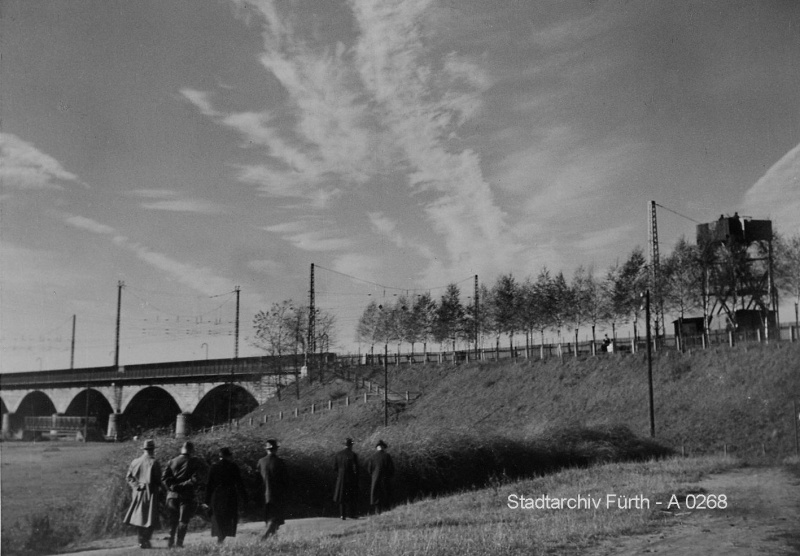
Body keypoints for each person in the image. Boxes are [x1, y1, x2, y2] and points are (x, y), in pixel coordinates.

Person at [162, 441, 205, 548]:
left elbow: (164, 479)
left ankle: (170, 541)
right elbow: (198, 477)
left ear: (182, 449)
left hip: (172, 495)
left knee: (173, 519)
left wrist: (172, 487)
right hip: (186, 495)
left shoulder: (172, 461)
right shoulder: (195, 462)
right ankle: (179, 543)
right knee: (183, 520)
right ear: (191, 450)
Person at [123, 439, 162, 549]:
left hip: (137, 493)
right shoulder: (154, 462)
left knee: (139, 517)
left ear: (144, 449)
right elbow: (158, 480)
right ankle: (145, 540)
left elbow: (129, 477)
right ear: (153, 449)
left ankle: (141, 540)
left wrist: (136, 486)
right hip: (151, 492)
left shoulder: (135, 461)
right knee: (150, 517)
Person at [205, 447, 247, 545]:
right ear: (228, 456)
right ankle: (221, 540)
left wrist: (206, 501)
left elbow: (209, 486)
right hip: (230, 495)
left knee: (218, 518)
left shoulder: (213, 467)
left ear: (219, 457)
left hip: (217, 496)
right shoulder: (233, 466)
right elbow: (239, 484)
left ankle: (220, 539)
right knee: (228, 518)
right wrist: (244, 498)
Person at [257, 439, 288, 539]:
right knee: (275, 518)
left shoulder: (261, 462)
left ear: (266, 449)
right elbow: (285, 480)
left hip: (264, 494)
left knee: (269, 517)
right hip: (278, 493)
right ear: (275, 450)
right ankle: (265, 536)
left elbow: (257, 479)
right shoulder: (280, 462)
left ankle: (274, 539)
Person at [365, 440, 394, 515]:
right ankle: (386, 512)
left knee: (376, 495)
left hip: (375, 479)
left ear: (377, 447)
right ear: (383, 447)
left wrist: (374, 476)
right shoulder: (387, 456)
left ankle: (377, 512)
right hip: (385, 479)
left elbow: (369, 469)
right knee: (385, 495)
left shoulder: (372, 457)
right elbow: (391, 469)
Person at [333, 437, 359, 520]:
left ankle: (342, 514)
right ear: (351, 445)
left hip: (341, 478)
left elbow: (334, 467)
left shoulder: (338, 454)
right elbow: (356, 468)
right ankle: (351, 514)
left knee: (341, 496)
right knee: (351, 496)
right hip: (350, 477)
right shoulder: (353, 455)